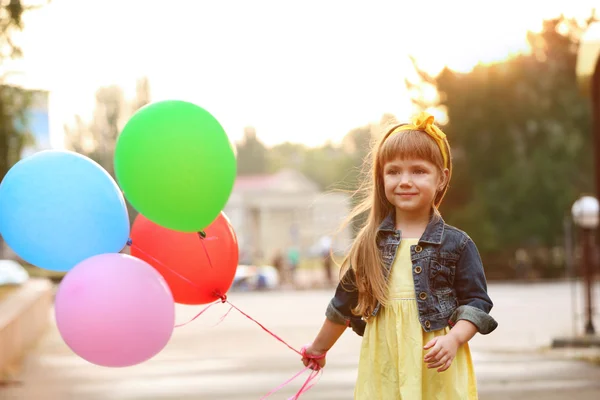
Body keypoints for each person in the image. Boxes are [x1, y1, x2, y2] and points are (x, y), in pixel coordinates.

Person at [301, 112, 498, 399]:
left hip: (435, 365)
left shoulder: (457, 244)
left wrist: (454, 339)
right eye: (393, 171)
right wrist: (318, 348)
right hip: (385, 366)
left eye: (418, 171)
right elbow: (342, 306)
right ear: (381, 178)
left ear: (441, 178)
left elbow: (477, 303)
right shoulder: (368, 245)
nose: (404, 180)